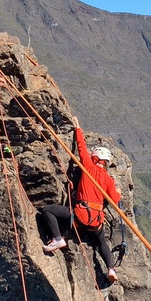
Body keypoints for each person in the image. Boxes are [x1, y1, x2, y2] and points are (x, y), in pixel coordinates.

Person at [41, 117, 122, 283]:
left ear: (95, 158)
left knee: (48, 210)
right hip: (96, 221)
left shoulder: (88, 167)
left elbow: (81, 147)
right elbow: (114, 200)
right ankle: (111, 269)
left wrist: (78, 128)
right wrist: (119, 193)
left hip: (80, 215)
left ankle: (58, 239)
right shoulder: (108, 180)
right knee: (101, 242)